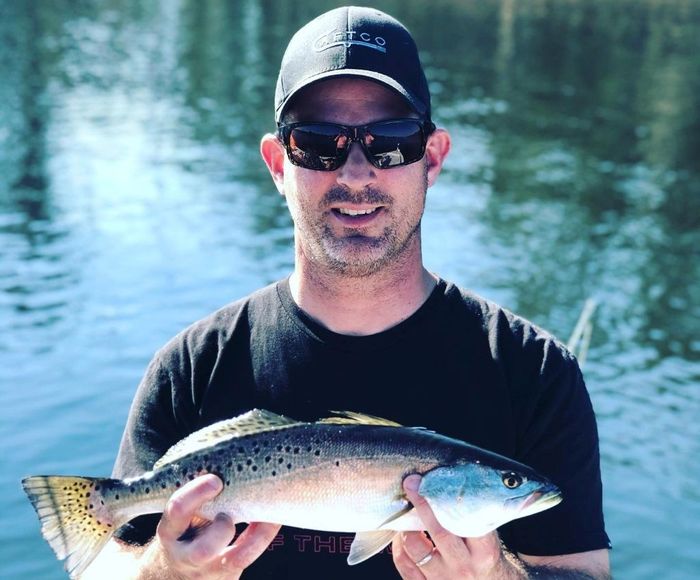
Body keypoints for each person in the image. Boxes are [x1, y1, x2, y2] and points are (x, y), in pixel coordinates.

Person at [82, 6, 611, 579]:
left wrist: (499, 579)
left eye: (390, 141)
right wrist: (165, 571)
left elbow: (584, 572)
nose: (356, 174)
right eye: (317, 143)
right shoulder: (191, 367)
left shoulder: (534, 372)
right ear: (278, 164)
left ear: (431, 157)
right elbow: (100, 563)